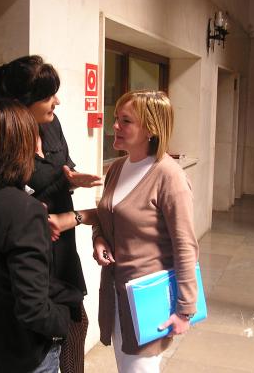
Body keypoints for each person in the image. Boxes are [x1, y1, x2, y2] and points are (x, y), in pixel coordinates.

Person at [0, 97, 83, 373]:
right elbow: (33, 308)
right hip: (20, 353)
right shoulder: (22, 210)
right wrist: (62, 324)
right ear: (16, 145)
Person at [0, 55, 101, 373]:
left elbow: (63, 166)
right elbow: (5, 200)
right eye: (48, 95)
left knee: (76, 326)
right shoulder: (3, 142)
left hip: (62, 249)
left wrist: (72, 178)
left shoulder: (52, 127)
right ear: (21, 103)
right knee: (45, 333)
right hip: (31, 251)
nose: (57, 101)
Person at [92, 90, 199, 373]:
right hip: (116, 295)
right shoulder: (116, 168)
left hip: (148, 302)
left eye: (125, 121)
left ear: (151, 129)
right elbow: (107, 217)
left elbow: (185, 246)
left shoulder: (169, 176)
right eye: (116, 118)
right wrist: (98, 237)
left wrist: (185, 309)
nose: (114, 126)